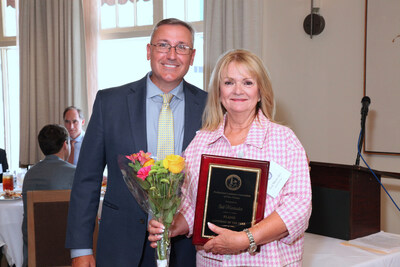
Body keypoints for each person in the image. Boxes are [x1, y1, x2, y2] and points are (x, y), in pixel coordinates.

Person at [148, 49, 312, 266]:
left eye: (247, 83)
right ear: (218, 91)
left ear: (261, 91)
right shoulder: (201, 143)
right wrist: (173, 225)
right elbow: (190, 203)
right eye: (228, 83)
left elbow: (298, 206)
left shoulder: (285, 141)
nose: (237, 90)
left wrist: (246, 238)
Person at [65, 18, 207, 267]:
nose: (172, 55)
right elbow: (86, 180)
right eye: (163, 45)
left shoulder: (210, 107)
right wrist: (80, 248)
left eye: (181, 47)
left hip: (188, 247)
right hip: (122, 245)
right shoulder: (110, 102)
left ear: (192, 56)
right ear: (149, 50)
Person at [22, 124, 75, 267]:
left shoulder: (29, 175)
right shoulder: (75, 173)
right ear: (65, 145)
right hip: (67, 252)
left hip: (36, 250)